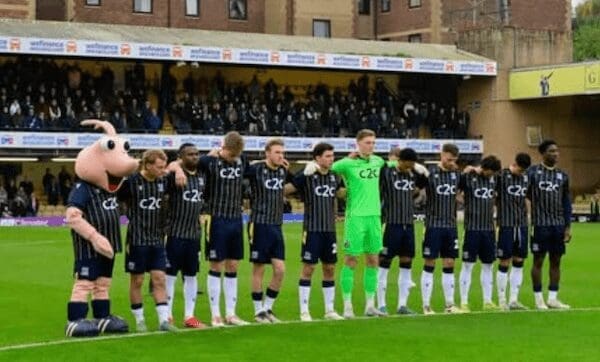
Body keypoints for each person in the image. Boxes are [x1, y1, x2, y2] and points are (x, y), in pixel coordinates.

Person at [64, 120, 138, 337]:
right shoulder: (83, 188)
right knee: (84, 282)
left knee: (103, 283)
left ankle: (102, 317)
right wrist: (94, 237)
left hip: (110, 245)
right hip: (89, 247)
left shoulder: (110, 189)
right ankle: (75, 320)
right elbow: (72, 216)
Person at [306, 129, 387, 318]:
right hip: (355, 218)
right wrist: (311, 165)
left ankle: (370, 305)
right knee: (351, 259)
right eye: (368, 142)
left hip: (374, 217)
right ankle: (348, 306)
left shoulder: (378, 161)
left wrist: (415, 166)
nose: (371, 146)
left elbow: (395, 163)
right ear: (357, 143)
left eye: (373, 143)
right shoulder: (346, 164)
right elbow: (326, 167)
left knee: (373, 260)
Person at [118, 149, 183, 332]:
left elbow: (179, 164)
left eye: (164, 167)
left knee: (159, 279)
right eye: (159, 167)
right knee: (137, 281)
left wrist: (177, 170)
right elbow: (113, 194)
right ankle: (139, 320)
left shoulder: (164, 180)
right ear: (146, 164)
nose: (163, 171)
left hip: (157, 239)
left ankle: (163, 321)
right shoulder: (131, 183)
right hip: (137, 239)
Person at [286, 142, 345, 321]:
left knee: (330, 268)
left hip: (330, 230)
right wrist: (303, 174)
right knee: (309, 268)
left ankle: (329, 310)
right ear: (317, 158)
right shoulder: (308, 175)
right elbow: (287, 190)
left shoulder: (335, 176)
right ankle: (304, 310)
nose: (331, 159)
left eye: (332, 156)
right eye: (327, 156)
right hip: (312, 229)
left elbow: (343, 193)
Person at [196, 131, 250, 327]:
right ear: (223, 147)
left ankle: (231, 314)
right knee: (216, 265)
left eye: (236, 155)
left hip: (236, 219)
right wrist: (176, 169)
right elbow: (180, 163)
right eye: (230, 154)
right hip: (216, 218)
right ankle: (215, 315)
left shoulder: (242, 160)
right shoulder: (208, 162)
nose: (233, 158)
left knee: (233, 265)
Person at [377, 148, 428, 315]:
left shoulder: (413, 174)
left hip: (408, 224)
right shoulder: (387, 173)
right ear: (400, 161)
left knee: (407, 263)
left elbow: (420, 186)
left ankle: (402, 305)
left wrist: (421, 172)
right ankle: (381, 304)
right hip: (391, 224)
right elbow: (380, 166)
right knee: (384, 262)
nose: (410, 167)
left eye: (412, 165)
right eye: (408, 164)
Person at [247, 138, 293, 323]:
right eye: (277, 152)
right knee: (259, 269)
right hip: (259, 223)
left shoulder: (283, 171)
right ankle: (258, 311)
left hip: (276, 225)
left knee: (280, 270)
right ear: (267, 153)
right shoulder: (256, 169)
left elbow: (291, 187)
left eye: (282, 153)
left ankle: (268, 308)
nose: (280, 156)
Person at [164, 144, 206, 329]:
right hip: (175, 234)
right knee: (170, 275)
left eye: (197, 154)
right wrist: (175, 167)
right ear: (181, 157)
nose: (195, 157)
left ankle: (189, 316)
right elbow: (166, 169)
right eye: (190, 154)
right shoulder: (173, 176)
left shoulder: (202, 176)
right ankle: (167, 315)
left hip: (194, 235)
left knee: (191, 276)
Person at [528, 140, 572, 309]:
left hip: (558, 225)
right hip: (540, 225)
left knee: (556, 261)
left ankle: (553, 298)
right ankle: (538, 299)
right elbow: (524, 193)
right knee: (538, 260)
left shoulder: (563, 175)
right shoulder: (532, 173)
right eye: (552, 151)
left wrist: (568, 226)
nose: (556, 154)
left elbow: (566, 202)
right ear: (543, 153)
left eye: (557, 151)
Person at [421, 143, 463, 315]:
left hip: (451, 226)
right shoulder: (430, 173)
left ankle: (449, 305)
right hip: (433, 225)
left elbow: (461, 193)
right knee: (430, 262)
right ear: (442, 155)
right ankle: (426, 305)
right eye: (448, 158)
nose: (451, 162)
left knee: (449, 262)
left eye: (454, 160)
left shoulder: (456, 175)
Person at [458, 155, 502, 312]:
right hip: (472, 229)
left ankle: (488, 301)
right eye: (490, 172)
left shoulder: (495, 179)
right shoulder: (469, 177)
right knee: (468, 265)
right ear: (484, 168)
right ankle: (463, 302)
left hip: (489, 229)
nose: (492, 175)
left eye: (494, 173)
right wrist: (466, 170)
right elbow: (455, 184)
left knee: (488, 266)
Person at [496, 153, 531, 310]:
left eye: (524, 170)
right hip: (506, 224)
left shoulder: (526, 178)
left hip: (522, 225)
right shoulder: (501, 176)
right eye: (520, 169)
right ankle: (502, 300)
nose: (522, 173)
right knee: (504, 260)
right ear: (514, 163)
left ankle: (514, 300)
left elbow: (527, 197)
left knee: (519, 260)